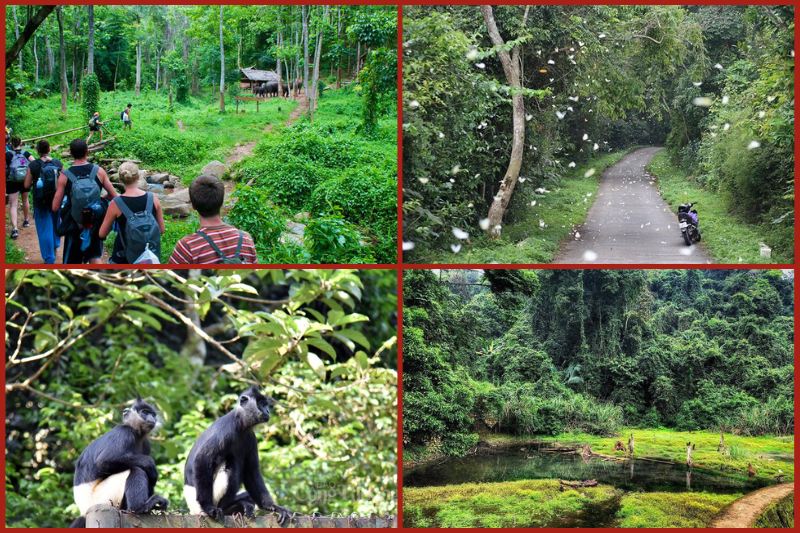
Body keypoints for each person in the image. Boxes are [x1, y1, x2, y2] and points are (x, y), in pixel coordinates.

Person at [51, 139, 117, 264]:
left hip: (74, 225)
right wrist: (101, 200)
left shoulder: (65, 175)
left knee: (72, 262)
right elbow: (114, 195)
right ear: (87, 151)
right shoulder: (99, 171)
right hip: (95, 223)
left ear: (71, 153)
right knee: (95, 257)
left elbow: (55, 207)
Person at [169, 175, 256, 264]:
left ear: (193, 206)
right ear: (221, 202)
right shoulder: (246, 239)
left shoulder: (187, 247)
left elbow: (170, 277)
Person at [99, 161, 165, 264]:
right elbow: (161, 229)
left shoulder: (115, 203)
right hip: (149, 258)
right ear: (138, 177)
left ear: (120, 179)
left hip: (122, 258)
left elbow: (102, 234)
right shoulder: (153, 198)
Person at [23, 140, 62, 263]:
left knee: (45, 229)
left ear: (37, 151)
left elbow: (26, 185)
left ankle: (49, 258)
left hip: (40, 202)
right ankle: (55, 244)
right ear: (49, 149)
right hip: (56, 200)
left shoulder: (33, 165)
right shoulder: (57, 163)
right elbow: (63, 182)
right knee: (56, 224)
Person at [5, 136, 33, 239]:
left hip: (12, 181)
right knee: (25, 200)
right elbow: (34, 162)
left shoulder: (8, 154)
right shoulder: (25, 153)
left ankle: (15, 229)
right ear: (21, 143)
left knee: (13, 204)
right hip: (25, 179)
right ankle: (26, 221)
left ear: (11, 144)